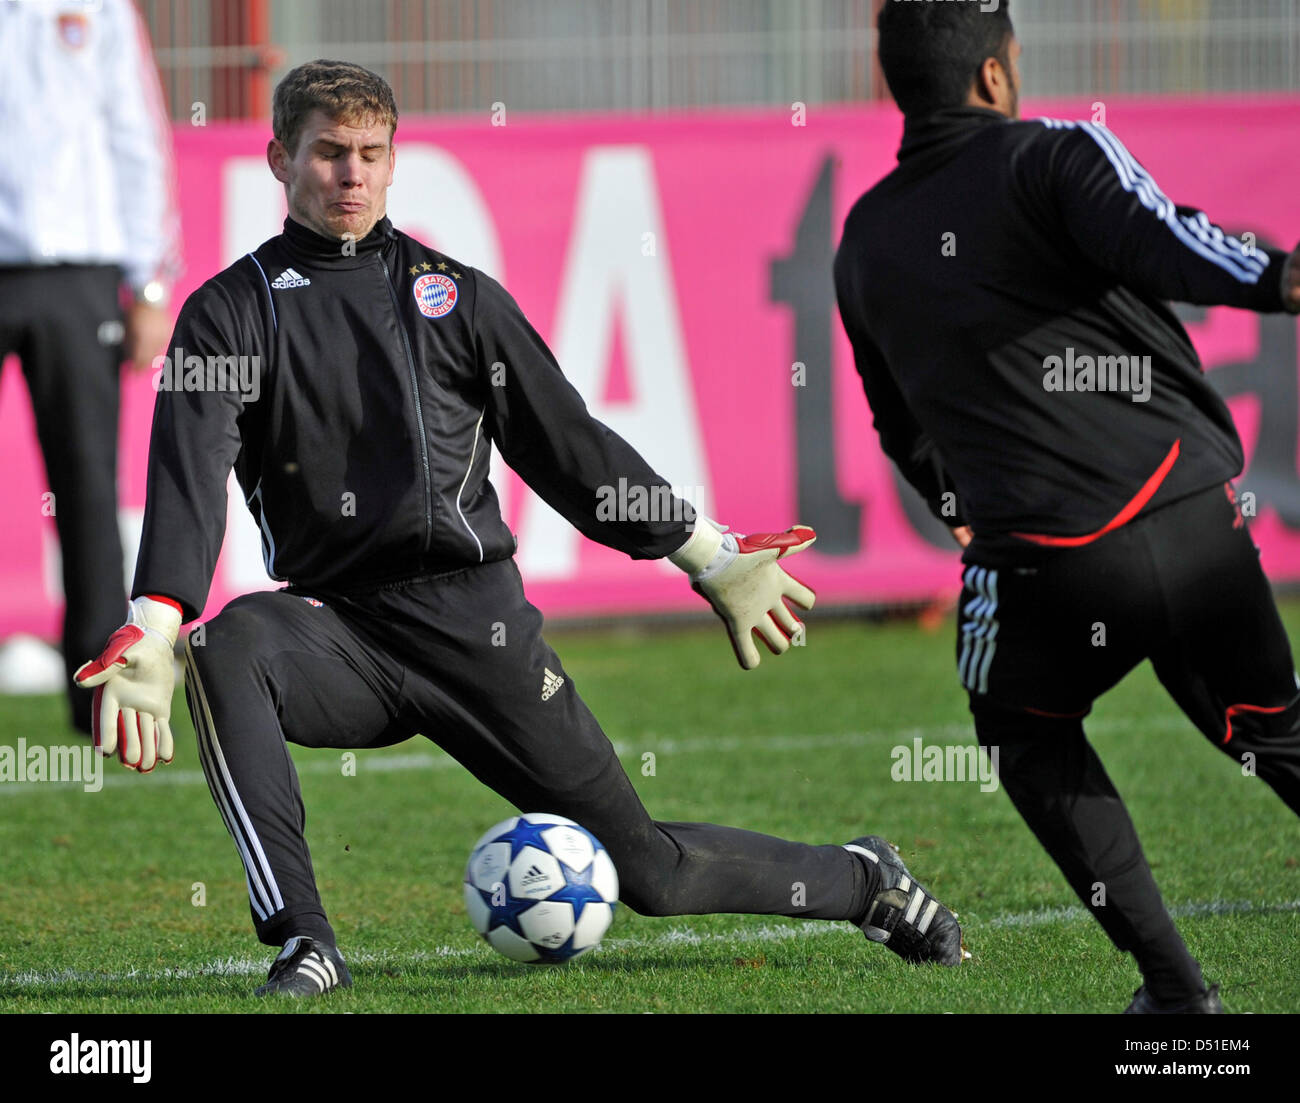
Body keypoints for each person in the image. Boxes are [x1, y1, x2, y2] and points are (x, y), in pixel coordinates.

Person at [73, 59, 963, 996]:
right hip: (337, 633)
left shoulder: (454, 298)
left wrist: (707, 554)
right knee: (228, 645)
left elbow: (572, 451)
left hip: (475, 625)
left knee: (651, 873)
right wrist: (158, 620)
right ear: (277, 160)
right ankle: (306, 939)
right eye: (329, 152)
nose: (352, 174)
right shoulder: (227, 313)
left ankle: (867, 879)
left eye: (371, 154)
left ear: (392, 161)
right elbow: (188, 470)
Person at [834, 2, 1300, 1014]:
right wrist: (1277, 277)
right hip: (1184, 508)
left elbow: (896, 421)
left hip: (1044, 559)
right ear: (995, 78)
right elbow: (1168, 240)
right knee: (1270, 726)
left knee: (1020, 726)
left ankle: (1176, 991)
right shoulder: (1051, 157)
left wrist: (957, 506)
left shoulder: (865, 237)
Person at [0, 0, 180, 733]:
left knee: (85, 486)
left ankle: (100, 692)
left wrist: (150, 283)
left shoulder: (98, 4)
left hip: (79, 270)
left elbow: (133, 128)